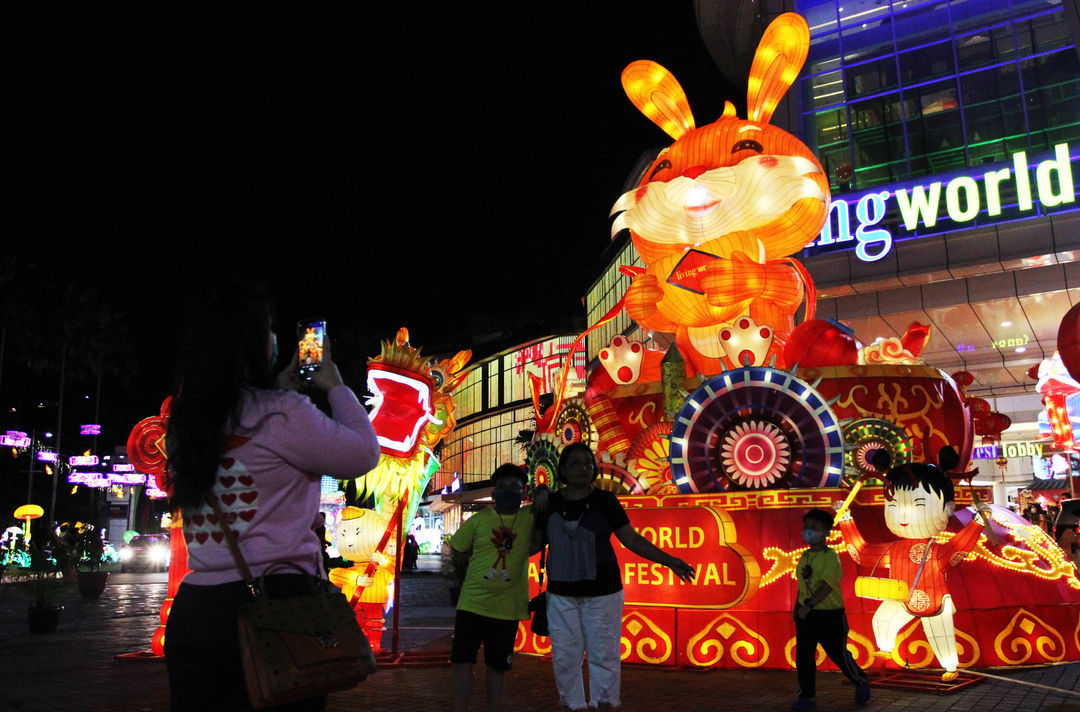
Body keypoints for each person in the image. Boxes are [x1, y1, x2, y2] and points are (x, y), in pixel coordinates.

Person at [163, 282, 380, 712]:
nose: (277, 340)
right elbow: (363, 453)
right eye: (269, 331)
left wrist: (282, 393)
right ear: (249, 344)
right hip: (277, 608)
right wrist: (334, 384)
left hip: (196, 612)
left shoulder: (184, 422)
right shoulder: (282, 414)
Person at [537, 442, 695, 712]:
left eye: (587, 463)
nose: (582, 469)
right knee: (565, 656)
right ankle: (572, 705)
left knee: (605, 654)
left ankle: (605, 704)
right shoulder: (549, 502)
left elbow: (631, 539)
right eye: (574, 463)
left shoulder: (605, 501)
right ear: (562, 469)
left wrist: (669, 560)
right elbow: (534, 543)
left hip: (604, 592)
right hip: (561, 593)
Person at [450, 464, 539, 712]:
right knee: (462, 662)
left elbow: (552, 507)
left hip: (507, 609)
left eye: (514, 487)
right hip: (472, 606)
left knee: (498, 667)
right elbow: (458, 549)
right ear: (493, 492)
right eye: (501, 487)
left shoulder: (531, 517)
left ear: (524, 492)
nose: (507, 492)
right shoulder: (479, 520)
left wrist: (543, 491)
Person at [791, 508, 870, 711]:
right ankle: (807, 696)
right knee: (804, 657)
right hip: (806, 616)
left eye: (814, 528)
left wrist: (808, 606)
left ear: (826, 532)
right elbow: (803, 586)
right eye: (806, 527)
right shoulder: (804, 557)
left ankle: (859, 679)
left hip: (830, 616)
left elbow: (826, 586)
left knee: (838, 655)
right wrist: (798, 608)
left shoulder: (831, 557)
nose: (808, 531)